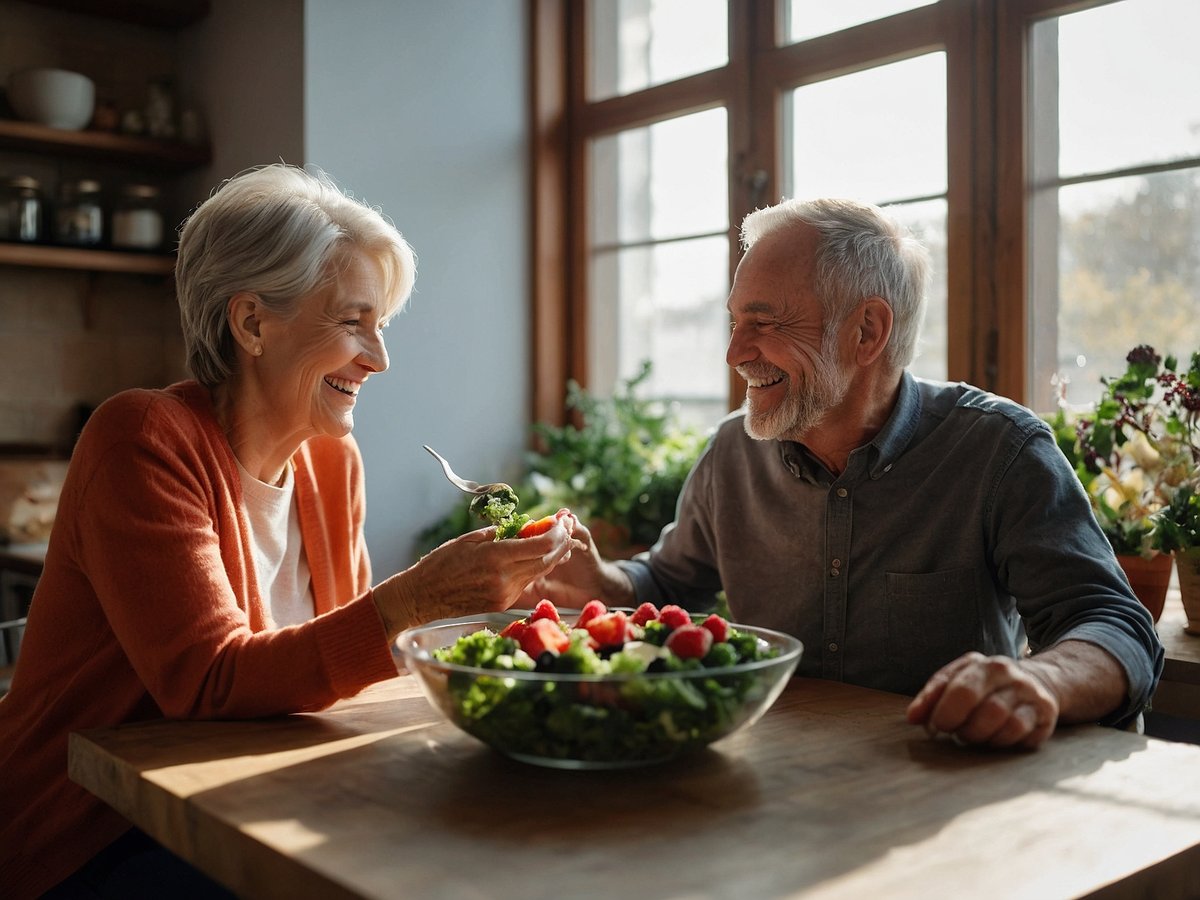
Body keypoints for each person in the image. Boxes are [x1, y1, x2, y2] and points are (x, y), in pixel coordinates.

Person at [0, 164, 578, 898]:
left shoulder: (332, 462)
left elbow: (343, 674)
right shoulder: (143, 439)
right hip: (92, 833)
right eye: (352, 322)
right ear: (251, 324)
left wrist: (487, 608)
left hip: (246, 796)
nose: (379, 358)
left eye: (380, 325)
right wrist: (414, 601)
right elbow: (208, 684)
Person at [531, 197, 1164, 752]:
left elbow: (1117, 625)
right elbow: (671, 582)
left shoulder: (1000, 450)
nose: (734, 353)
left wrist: (1041, 678)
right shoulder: (732, 452)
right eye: (735, 322)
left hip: (941, 791)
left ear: (867, 331)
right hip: (776, 783)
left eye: (765, 323)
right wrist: (601, 581)